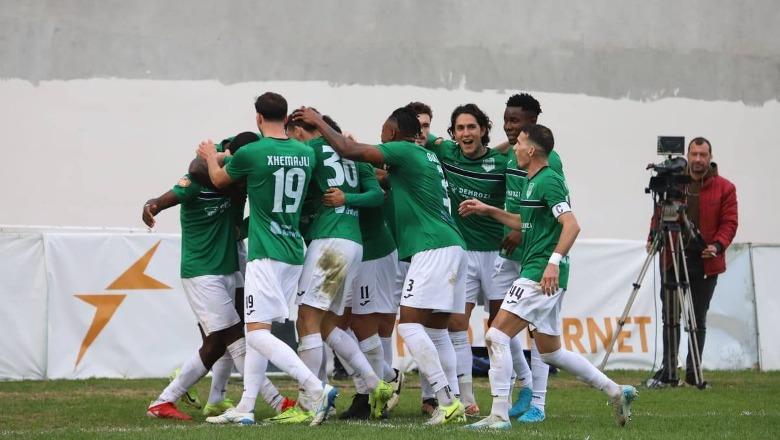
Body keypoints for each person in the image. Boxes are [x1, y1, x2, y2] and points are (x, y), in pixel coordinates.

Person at [293, 106, 468, 425]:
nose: (382, 135)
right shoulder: (424, 156)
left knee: (409, 326)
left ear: (396, 132)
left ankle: (445, 400)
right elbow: (382, 179)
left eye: (385, 130)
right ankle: (453, 399)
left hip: (432, 246)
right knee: (436, 331)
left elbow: (350, 149)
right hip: (451, 243)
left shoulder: (403, 150)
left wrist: (319, 122)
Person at [460, 124, 637, 430]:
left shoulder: (549, 180)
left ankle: (499, 415)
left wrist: (553, 263)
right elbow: (523, 221)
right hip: (541, 271)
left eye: (519, 143)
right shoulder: (533, 181)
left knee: (496, 336)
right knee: (551, 352)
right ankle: (616, 391)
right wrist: (487, 210)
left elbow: (571, 224)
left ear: (531, 150)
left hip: (540, 273)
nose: (514, 148)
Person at [196, 92, 336, 426]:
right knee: (259, 329)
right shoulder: (305, 152)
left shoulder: (253, 152)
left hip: (266, 252)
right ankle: (246, 407)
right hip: (293, 251)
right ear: (286, 119)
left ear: (258, 118)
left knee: (257, 334)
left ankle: (316, 387)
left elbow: (218, 179)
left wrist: (210, 156)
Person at [283, 114, 393, 422]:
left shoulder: (310, 150)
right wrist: (350, 197)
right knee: (328, 326)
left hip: (330, 241)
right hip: (354, 243)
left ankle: (311, 400)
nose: (292, 142)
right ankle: (375, 384)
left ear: (301, 130)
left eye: (292, 135)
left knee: (306, 319)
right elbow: (377, 194)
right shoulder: (353, 152)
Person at [142, 133, 257, 421]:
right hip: (205, 269)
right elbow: (194, 169)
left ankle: (211, 398)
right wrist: (153, 205)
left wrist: (240, 230)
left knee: (224, 338)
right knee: (231, 336)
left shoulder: (249, 154)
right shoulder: (205, 171)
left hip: (232, 258)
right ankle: (275, 402)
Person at [421, 103, 507, 417]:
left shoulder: (502, 163)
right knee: (457, 326)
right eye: (460, 128)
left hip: (498, 255)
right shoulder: (446, 152)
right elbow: (420, 134)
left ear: (483, 130)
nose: (466, 133)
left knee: (500, 331)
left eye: (472, 127)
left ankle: (508, 396)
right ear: (453, 133)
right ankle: (467, 397)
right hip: (463, 254)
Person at [646, 137, 738, 388]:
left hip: (705, 260)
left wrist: (717, 245)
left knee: (697, 318)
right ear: (687, 155)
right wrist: (653, 237)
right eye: (694, 154)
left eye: (702, 155)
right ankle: (669, 371)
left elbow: (729, 222)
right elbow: (659, 214)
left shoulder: (725, 188)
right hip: (673, 256)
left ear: (710, 157)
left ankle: (693, 372)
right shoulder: (675, 183)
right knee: (670, 317)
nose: (698, 160)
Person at [496, 93, 561, 423]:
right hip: (509, 251)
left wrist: (522, 232)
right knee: (499, 321)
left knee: (539, 331)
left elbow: (558, 214)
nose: (508, 126)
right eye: (506, 120)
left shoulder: (550, 163)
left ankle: (538, 402)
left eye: (515, 121)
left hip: (536, 255)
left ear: (532, 124)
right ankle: (521, 385)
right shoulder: (512, 152)